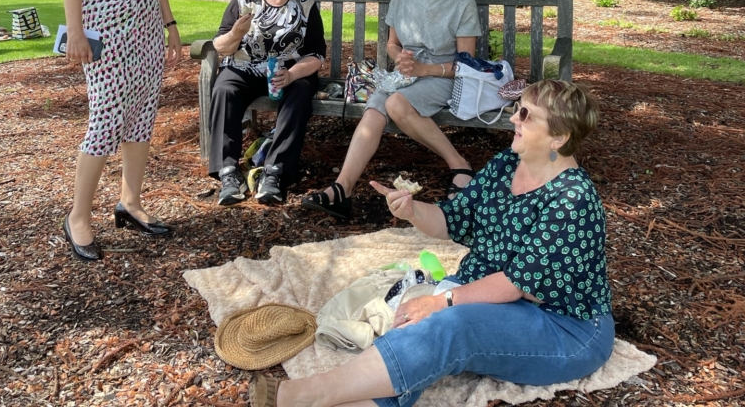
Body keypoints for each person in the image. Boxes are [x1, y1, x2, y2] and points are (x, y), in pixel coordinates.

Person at [250, 80, 614, 407]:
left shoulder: (572, 199)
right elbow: (452, 219)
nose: (513, 118)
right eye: (516, 107)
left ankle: (306, 394)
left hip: (565, 327)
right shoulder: (507, 164)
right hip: (489, 292)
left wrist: (443, 301)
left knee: (452, 325)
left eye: (525, 114)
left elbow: (517, 284)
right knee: (416, 329)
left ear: (559, 137)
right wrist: (411, 211)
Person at [62, 0, 194, 262]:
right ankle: (78, 216)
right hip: (105, 31)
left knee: (140, 119)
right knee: (105, 119)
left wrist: (170, 22)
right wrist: (75, 31)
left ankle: (130, 202)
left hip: (146, 32)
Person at [302, 0, 480, 220]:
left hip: (442, 76)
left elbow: (466, 65)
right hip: (405, 74)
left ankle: (460, 165)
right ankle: (341, 190)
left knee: (396, 104)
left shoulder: (462, 3)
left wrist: (424, 69)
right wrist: (400, 57)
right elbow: (392, 44)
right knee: (375, 110)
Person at [209, 0, 326, 206]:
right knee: (224, 87)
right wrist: (237, 33)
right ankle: (228, 172)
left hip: (288, 72)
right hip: (244, 69)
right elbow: (220, 47)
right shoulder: (243, 0)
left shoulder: (306, 6)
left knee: (301, 91)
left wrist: (292, 75)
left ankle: (275, 172)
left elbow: (317, 55)